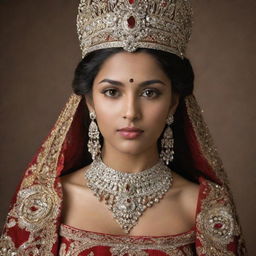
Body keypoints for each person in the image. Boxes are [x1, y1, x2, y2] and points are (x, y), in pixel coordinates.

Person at [0, 0, 247, 255]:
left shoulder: (205, 207)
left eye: (150, 92)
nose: (131, 112)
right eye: (112, 92)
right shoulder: (44, 204)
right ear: (89, 102)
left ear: (173, 103)